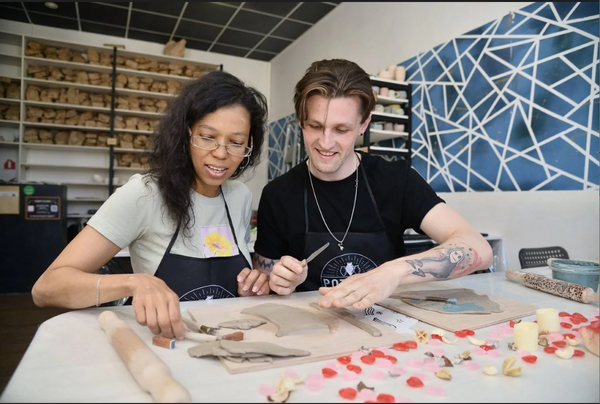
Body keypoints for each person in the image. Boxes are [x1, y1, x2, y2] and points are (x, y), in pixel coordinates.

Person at [32, 71, 270, 339]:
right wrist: (134, 283)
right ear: (186, 133)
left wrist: (247, 288)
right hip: (161, 348)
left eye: (236, 143)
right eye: (207, 136)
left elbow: (219, 285)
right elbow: (46, 288)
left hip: (224, 346)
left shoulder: (239, 196)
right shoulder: (144, 194)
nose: (221, 153)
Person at [253, 59, 493, 311]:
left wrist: (394, 272)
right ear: (301, 120)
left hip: (389, 329)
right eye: (315, 126)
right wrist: (281, 283)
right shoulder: (277, 194)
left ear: (364, 124)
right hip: (313, 329)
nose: (325, 142)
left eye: (341, 129)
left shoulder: (395, 180)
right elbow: (264, 285)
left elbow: (478, 249)